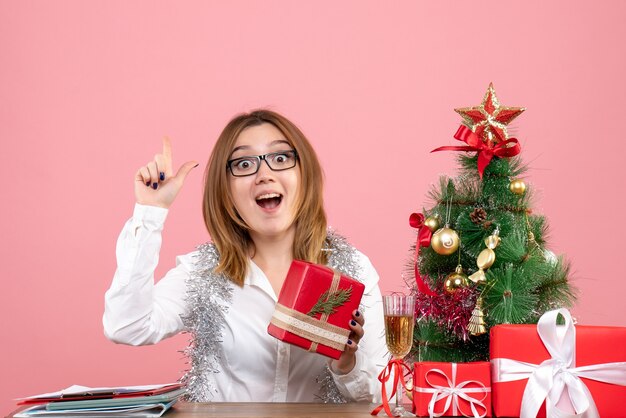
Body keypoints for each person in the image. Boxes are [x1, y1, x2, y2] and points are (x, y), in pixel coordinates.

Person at [103, 109, 387, 403]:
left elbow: (381, 395)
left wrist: (346, 364)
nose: (264, 175)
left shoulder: (353, 269)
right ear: (225, 188)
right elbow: (126, 326)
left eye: (280, 158)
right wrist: (150, 212)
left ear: (304, 173)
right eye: (243, 163)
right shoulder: (202, 272)